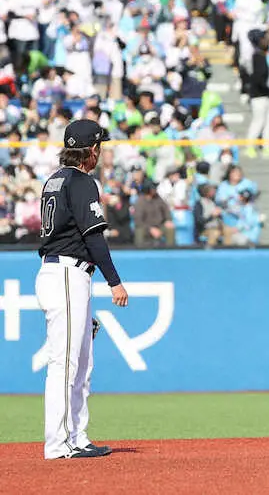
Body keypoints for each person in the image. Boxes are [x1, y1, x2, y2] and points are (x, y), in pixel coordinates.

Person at [36, 118, 128, 460]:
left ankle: (77, 436)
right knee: (65, 363)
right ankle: (59, 443)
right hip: (66, 274)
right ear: (91, 150)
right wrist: (114, 281)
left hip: (65, 274)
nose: (100, 153)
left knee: (81, 363)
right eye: (99, 146)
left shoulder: (55, 179)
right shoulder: (82, 181)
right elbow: (94, 236)